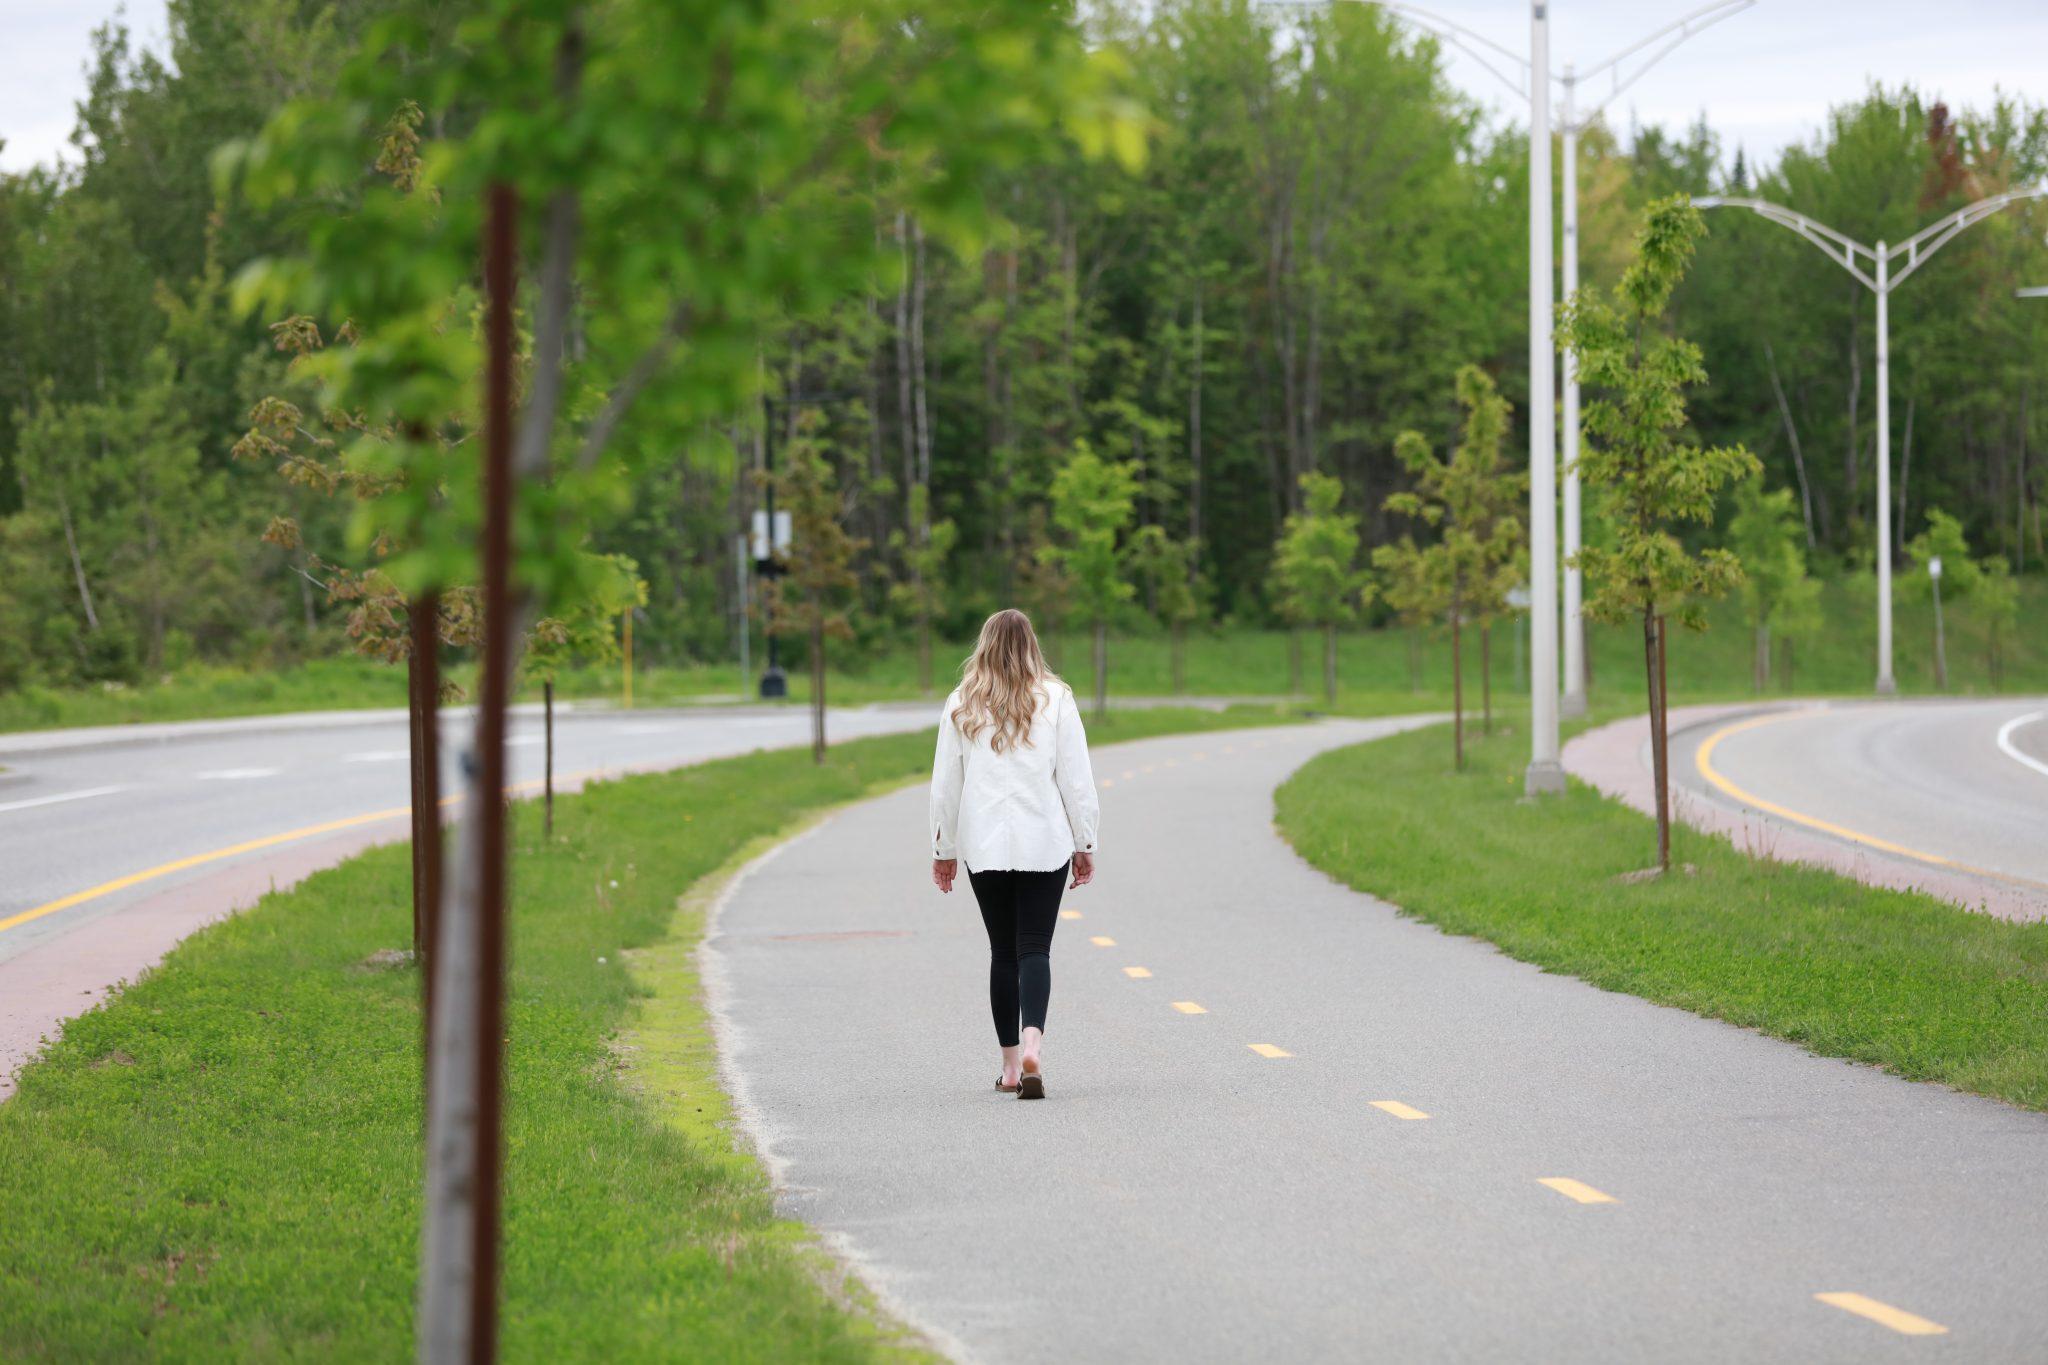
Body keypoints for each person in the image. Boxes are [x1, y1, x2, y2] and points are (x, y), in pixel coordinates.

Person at [930, 609, 1098, 1100]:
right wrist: (1085, 842)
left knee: (1002, 952)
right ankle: (1033, 1045)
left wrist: (943, 848)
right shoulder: (1056, 699)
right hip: (1044, 841)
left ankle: (1008, 1067)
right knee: (1035, 949)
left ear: (983, 645)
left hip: (985, 845)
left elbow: (946, 783)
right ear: (1031, 645)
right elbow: (1076, 779)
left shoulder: (962, 702)